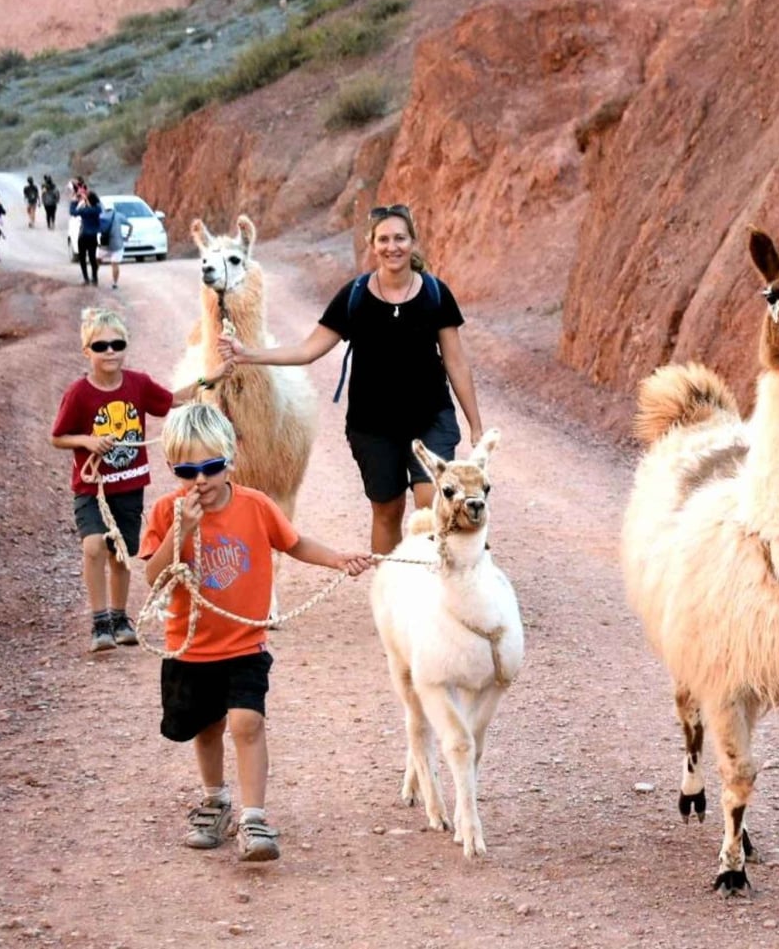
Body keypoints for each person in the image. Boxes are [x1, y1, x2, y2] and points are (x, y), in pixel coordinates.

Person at [140, 403, 373, 862]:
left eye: (211, 467)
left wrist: (338, 559)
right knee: (207, 730)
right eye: (188, 470)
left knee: (247, 723)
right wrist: (181, 532)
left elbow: (293, 541)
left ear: (230, 460)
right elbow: (153, 576)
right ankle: (215, 801)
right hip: (190, 649)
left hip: (245, 643)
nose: (201, 480)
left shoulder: (255, 505)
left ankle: (254, 818)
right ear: (172, 469)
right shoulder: (168, 512)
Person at [218, 203, 484, 554]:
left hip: (431, 418)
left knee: (432, 503)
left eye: (400, 238)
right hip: (372, 427)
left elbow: (456, 363)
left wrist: (475, 425)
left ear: (413, 242)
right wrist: (248, 354)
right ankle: (390, 594)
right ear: (372, 245)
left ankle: (435, 594)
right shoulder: (354, 296)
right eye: (384, 239)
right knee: (387, 513)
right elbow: (308, 350)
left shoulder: (436, 294)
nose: (393, 247)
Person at [50, 308, 234, 653]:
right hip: (94, 487)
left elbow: (173, 399)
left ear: (125, 346)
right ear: (86, 350)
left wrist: (214, 377)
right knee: (94, 546)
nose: (109, 351)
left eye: (116, 344)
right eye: (100, 345)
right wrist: (87, 441)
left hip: (130, 485)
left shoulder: (138, 384)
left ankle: (120, 618)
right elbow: (58, 436)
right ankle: (99, 621)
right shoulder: (78, 394)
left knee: (121, 554)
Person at [71, 191, 103, 285]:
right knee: (92, 258)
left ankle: (86, 278)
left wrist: (74, 201)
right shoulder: (97, 209)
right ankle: (95, 278)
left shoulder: (85, 210)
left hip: (84, 236)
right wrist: (86, 199)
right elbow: (97, 205)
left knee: (82, 258)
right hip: (93, 237)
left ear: (88, 200)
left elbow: (73, 212)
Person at [100, 202, 129, 288]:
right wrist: (127, 236)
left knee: (96, 259)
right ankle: (115, 283)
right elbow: (130, 225)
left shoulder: (101, 216)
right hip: (117, 244)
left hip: (104, 244)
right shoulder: (118, 216)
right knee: (115, 265)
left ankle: (94, 277)